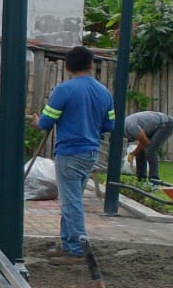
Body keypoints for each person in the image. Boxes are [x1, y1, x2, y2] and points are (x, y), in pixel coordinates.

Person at [35, 45, 114, 259]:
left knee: (71, 202)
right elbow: (110, 125)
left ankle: (78, 247)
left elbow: (46, 122)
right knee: (72, 198)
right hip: (90, 152)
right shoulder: (104, 92)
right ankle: (68, 243)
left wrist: (38, 122)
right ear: (90, 65)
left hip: (69, 152)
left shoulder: (64, 90)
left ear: (67, 66)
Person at [124, 110, 173, 187]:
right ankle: (141, 180)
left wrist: (132, 154)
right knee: (140, 151)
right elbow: (143, 142)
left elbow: (146, 142)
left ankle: (154, 181)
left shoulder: (130, 128)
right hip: (153, 127)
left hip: (166, 123)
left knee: (150, 150)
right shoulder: (124, 127)